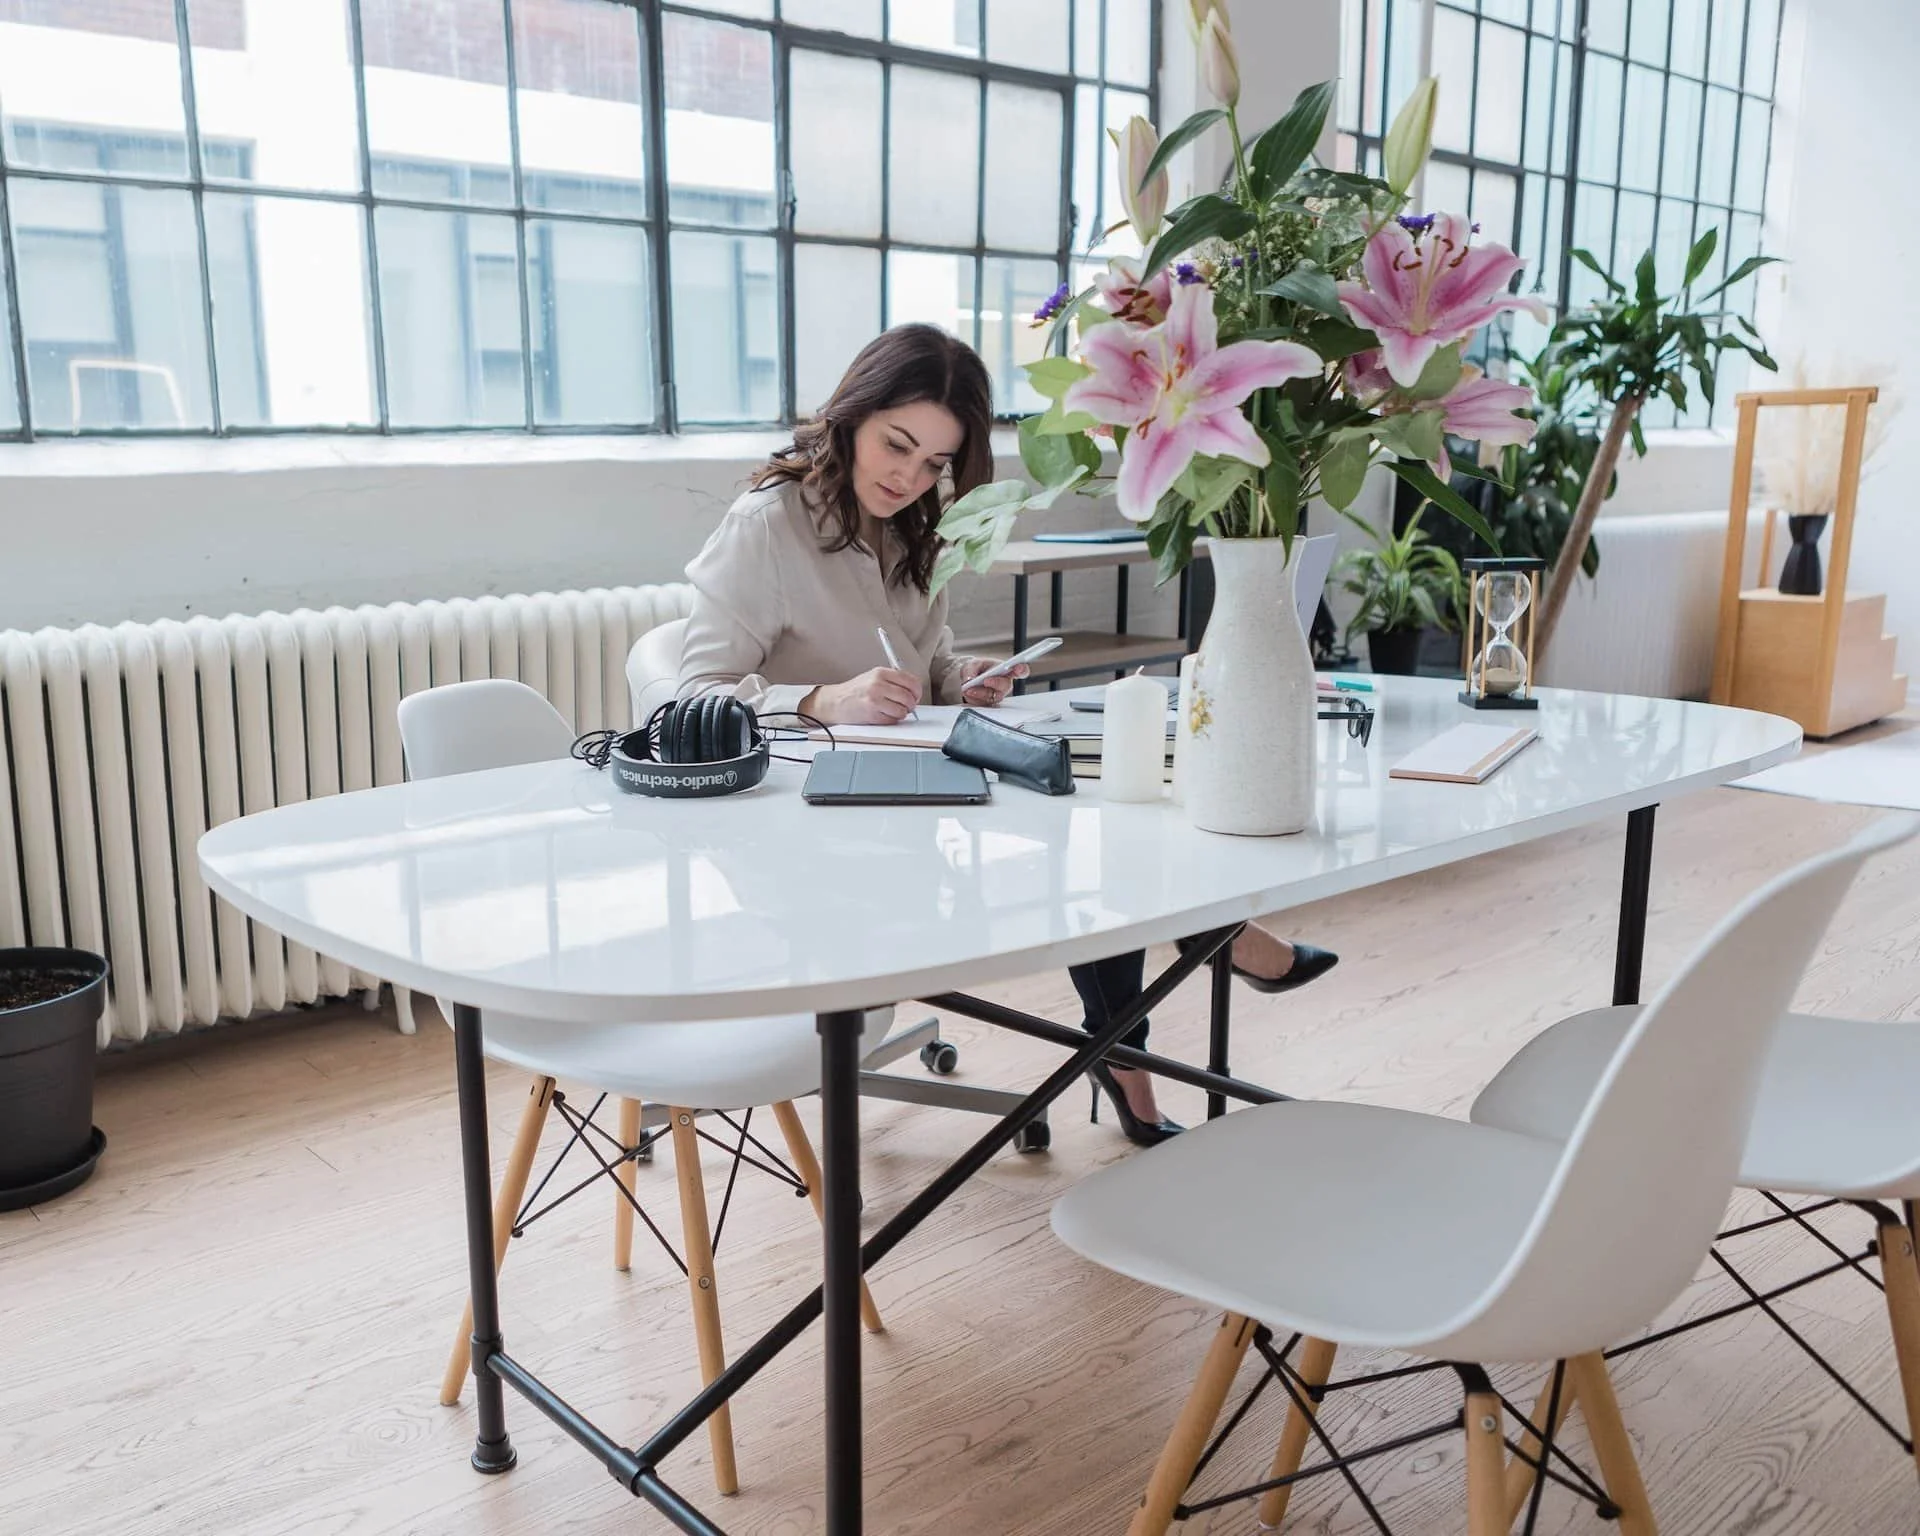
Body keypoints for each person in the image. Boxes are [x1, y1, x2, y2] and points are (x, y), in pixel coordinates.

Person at [678, 324, 1337, 1146]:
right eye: (897, 444)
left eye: (934, 463)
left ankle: (1132, 1042)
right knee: (1090, 830)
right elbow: (687, 701)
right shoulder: (768, 525)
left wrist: (965, 678)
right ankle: (1185, 987)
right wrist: (824, 698)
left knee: (1103, 801)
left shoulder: (910, 521)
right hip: (807, 836)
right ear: (852, 413)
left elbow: (916, 661)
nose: (910, 475)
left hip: (908, 802)